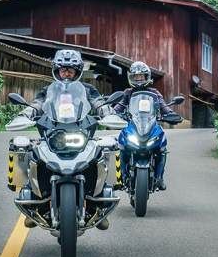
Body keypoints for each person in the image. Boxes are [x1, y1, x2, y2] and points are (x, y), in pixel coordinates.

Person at [21, 49, 114, 229]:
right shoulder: (48, 90)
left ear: (78, 72)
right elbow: (37, 104)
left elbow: (98, 103)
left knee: (100, 153)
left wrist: (107, 112)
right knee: (33, 153)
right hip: (52, 133)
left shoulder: (88, 89)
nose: (66, 74)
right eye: (63, 70)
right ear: (56, 71)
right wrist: (26, 113)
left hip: (81, 132)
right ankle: (33, 203)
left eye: (71, 70)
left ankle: (99, 207)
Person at [113, 61, 182, 190]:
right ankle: (121, 177)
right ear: (131, 78)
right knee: (121, 145)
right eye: (136, 76)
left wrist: (171, 114)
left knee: (162, 146)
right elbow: (119, 107)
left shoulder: (154, 92)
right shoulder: (128, 92)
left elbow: (163, 106)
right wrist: (112, 114)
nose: (138, 79)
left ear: (147, 77)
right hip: (133, 125)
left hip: (150, 124)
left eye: (141, 76)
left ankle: (159, 178)